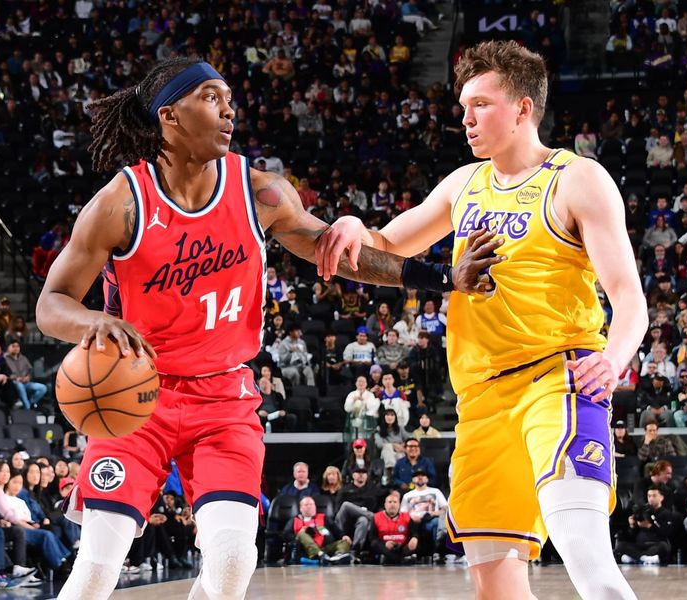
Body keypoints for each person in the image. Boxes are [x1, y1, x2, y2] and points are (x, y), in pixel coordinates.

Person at [36, 57, 488, 600]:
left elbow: (344, 256)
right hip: (137, 395)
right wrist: (95, 321)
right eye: (209, 96)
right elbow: (52, 303)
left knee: (231, 562)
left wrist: (443, 277)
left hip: (224, 395)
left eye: (228, 96)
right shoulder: (120, 203)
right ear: (169, 116)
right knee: (95, 570)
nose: (229, 108)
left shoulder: (260, 193)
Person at [317, 40, 647, 599]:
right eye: (463, 106)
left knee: (589, 562)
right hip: (481, 403)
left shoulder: (576, 179)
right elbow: (384, 244)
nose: (466, 119)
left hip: (557, 382)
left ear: (522, 108)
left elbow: (629, 297)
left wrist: (613, 361)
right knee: (496, 590)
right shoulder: (462, 184)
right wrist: (352, 224)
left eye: (481, 104)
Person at [614, 485, 676, 564]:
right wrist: (632, 526)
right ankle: (644, 558)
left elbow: (666, 533)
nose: (651, 498)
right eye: (649, 496)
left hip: (655, 544)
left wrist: (650, 526)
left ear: (661, 498)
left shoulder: (666, 513)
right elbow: (632, 535)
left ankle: (636, 558)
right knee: (621, 545)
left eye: (654, 496)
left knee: (663, 546)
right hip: (640, 545)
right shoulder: (643, 511)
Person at [283, 496, 351, 565]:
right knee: (301, 534)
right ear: (301, 508)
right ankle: (320, 555)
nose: (309, 506)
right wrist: (300, 534)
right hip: (306, 550)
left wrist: (343, 536)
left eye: (312, 504)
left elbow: (335, 529)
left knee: (344, 542)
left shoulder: (323, 517)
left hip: (325, 548)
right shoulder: (294, 520)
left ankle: (337, 557)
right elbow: (286, 534)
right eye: (306, 505)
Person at [400, 468, 448, 562]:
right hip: (413, 522)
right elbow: (403, 513)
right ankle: (409, 552)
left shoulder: (435, 491)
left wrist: (434, 513)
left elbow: (445, 508)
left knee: (436, 522)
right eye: (417, 476)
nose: (420, 477)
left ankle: (437, 552)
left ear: (427, 479)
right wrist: (411, 517)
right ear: (413, 480)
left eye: (423, 475)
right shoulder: (407, 495)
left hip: (430, 519)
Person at [370, 493, 417, 565]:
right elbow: (372, 537)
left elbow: (415, 532)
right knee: (375, 544)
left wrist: (414, 538)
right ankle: (401, 560)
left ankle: (391, 559)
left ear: (399, 505)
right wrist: (385, 544)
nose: (392, 504)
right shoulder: (376, 517)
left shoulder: (407, 517)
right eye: (390, 502)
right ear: (385, 505)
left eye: (395, 502)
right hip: (385, 547)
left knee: (416, 542)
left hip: (402, 547)